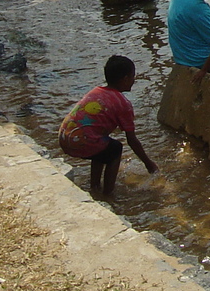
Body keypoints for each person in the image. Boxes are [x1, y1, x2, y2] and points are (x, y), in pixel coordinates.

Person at [58, 55, 158, 195]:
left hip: (65, 137)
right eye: (132, 76)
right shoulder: (123, 104)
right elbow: (132, 140)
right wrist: (148, 163)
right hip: (82, 141)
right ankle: (108, 193)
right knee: (116, 149)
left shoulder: (96, 91)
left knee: (103, 147)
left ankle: (95, 187)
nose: (134, 80)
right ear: (125, 79)